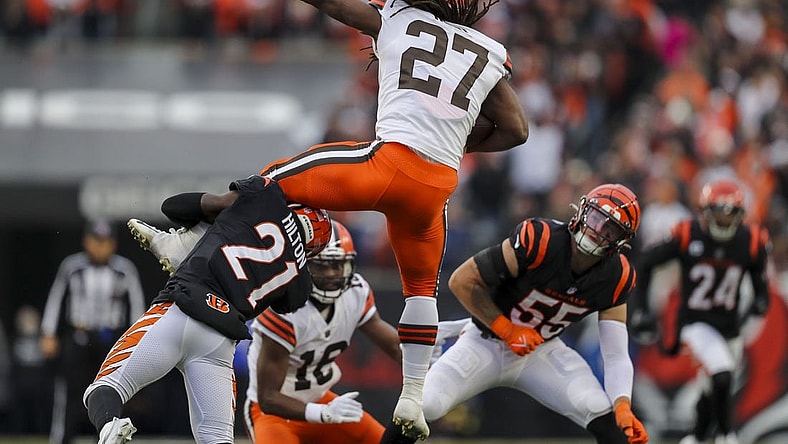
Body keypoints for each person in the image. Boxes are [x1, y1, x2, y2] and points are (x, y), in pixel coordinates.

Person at [257, 0, 530, 438]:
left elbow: (338, 8)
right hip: (435, 184)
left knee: (272, 179)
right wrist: (456, 144)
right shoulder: (485, 48)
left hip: (387, 164)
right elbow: (517, 129)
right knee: (421, 292)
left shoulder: (399, 17)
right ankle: (413, 396)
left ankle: (195, 236)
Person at [382, 183, 650, 444]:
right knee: (420, 408)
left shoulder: (618, 276)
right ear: (581, 211)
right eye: (595, 218)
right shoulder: (542, 239)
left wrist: (623, 403)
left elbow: (615, 354)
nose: (596, 231)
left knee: (607, 420)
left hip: (540, 350)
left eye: (610, 229)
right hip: (486, 341)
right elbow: (462, 281)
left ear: (621, 241)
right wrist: (507, 329)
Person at [82, 176, 333, 444]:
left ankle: (111, 427)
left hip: (181, 309)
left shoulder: (264, 195)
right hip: (220, 340)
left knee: (106, 389)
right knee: (217, 440)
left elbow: (174, 207)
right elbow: (285, 297)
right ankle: (187, 247)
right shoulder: (301, 285)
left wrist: (222, 219)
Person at [629, 179, 771, 444]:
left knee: (712, 387)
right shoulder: (687, 234)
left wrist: (760, 302)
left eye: (730, 214)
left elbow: (759, 283)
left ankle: (696, 438)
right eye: (719, 212)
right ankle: (727, 436)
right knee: (722, 373)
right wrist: (641, 310)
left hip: (729, 327)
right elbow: (646, 263)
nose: (724, 220)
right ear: (706, 212)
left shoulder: (751, 241)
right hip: (695, 322)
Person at [243, 220, 400, 443]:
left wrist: (421, 350)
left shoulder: (355, 291)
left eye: (337, 265)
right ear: (302, 265)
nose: (331, 274)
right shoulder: (284, 307)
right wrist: (322, 414)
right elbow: (268, 398)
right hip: (273, 413)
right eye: (321, 265)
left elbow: (393, 345)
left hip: (321, 399)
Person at [40, 219, 145, 444]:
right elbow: (56, 300)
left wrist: (138, 341)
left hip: (111, 339)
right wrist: (48, 333)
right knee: (68, 390)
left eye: (104, 242)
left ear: (113, 244)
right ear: (86, 242)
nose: (100, 247)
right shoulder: (72, 267)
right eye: (96, 241)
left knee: (115, 388)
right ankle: (62, 438)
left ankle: (115, 437)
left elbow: (136, 307)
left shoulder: (124, 270)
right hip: (80, 336)